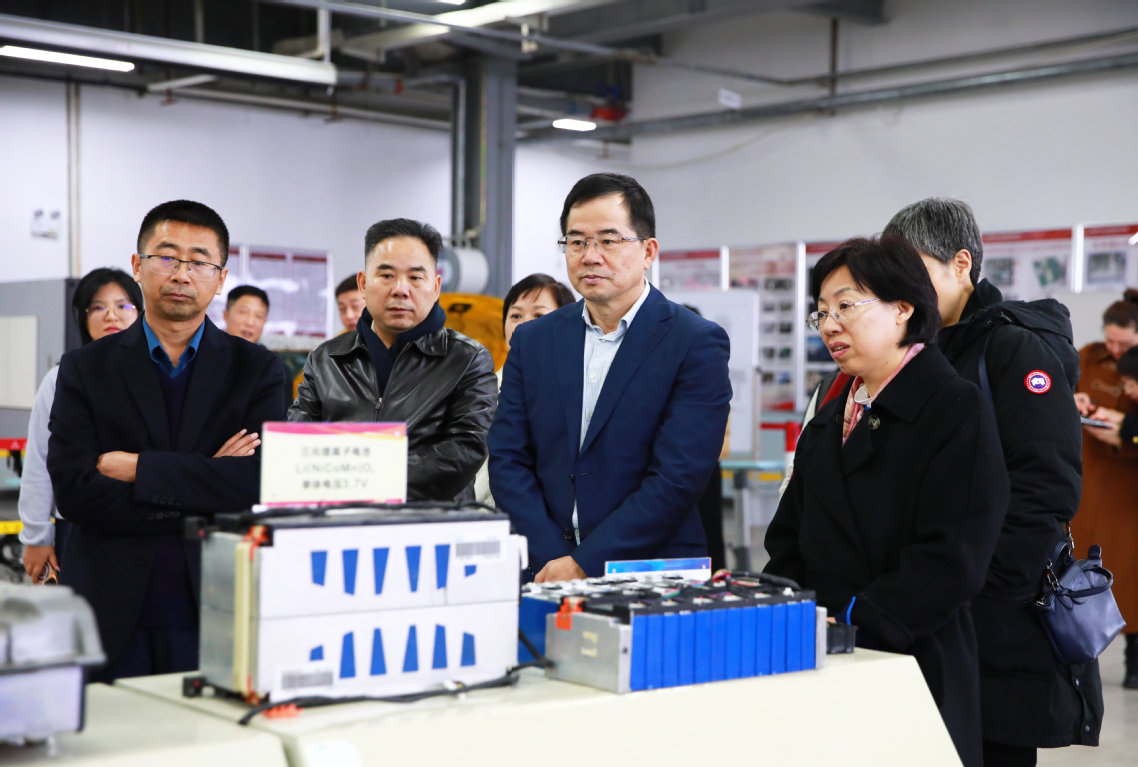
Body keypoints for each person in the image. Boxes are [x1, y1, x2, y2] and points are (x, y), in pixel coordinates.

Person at [764, 236, 1009, 767]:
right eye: (821, 313)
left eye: (846, 306)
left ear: (903, 308)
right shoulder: (829, 418)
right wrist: (788, 615)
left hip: (912, 654)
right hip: (823, 654)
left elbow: (954, 555)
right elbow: (787, 539)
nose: (830, 325)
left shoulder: (954, 408)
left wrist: (860, 618)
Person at [884, 197, 1103, 763]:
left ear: (961, 264)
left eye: (913, 271)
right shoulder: (916, 353)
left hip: (995, 619)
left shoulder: (1013, 348)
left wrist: (979, 585)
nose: (900, 291)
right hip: (928, 612)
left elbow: (1045, 486)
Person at [47, 200, 287, 682]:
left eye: (199, 261)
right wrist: (206, 478)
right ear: (138, 266)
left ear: (220, 278)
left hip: (215, 600)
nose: (181, 273)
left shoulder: (258, 370)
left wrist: (138, 469)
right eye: (166, 257)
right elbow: (74, 491)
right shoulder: (84, 368)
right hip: (107, 604)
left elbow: (257, 483)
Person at [488, 172, 731, 582]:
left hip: (650, 572)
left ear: (648, 251)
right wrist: (552, 559)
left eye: (608, 240)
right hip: (542, 568)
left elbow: (679, 476)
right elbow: (507, 458)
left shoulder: (695, 342)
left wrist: (585, 563)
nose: (590, 255)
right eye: (576, 241)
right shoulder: (533, 341)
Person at [290, 218, 497, 503]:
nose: (401, 289)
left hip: (432, 523)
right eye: (387, 275)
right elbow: (298, 444)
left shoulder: (467, 359)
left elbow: (465, 450)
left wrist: (362, 479)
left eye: (415, 277)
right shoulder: (326, 359)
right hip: (338, 520)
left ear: (436, 287)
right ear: (363, 284)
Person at [19, 268, 143, 584]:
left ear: (140, 313)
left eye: (123, 305)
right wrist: (37, 535)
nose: (111, 315)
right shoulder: (62, 377)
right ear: (83, 318)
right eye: (97, 307)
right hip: (78, 527)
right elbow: (40, 460)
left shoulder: (157, 375)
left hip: (146, 523)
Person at [1072, 289, 1138, 690]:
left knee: (1131, 575)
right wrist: (1074, 399)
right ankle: (1076, 647)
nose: (1114, 350)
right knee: (1079, 569)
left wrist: (1123, 429)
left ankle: (1135, 661)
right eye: (1110, 340)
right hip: (1090, 477)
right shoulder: (1087, 357)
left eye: (1124, 344)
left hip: (1128, 482)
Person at [473, 274, 575, 505]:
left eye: (538, 315)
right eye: (516, 315)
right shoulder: (481, 387)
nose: (524, 324)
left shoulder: (575, 391)